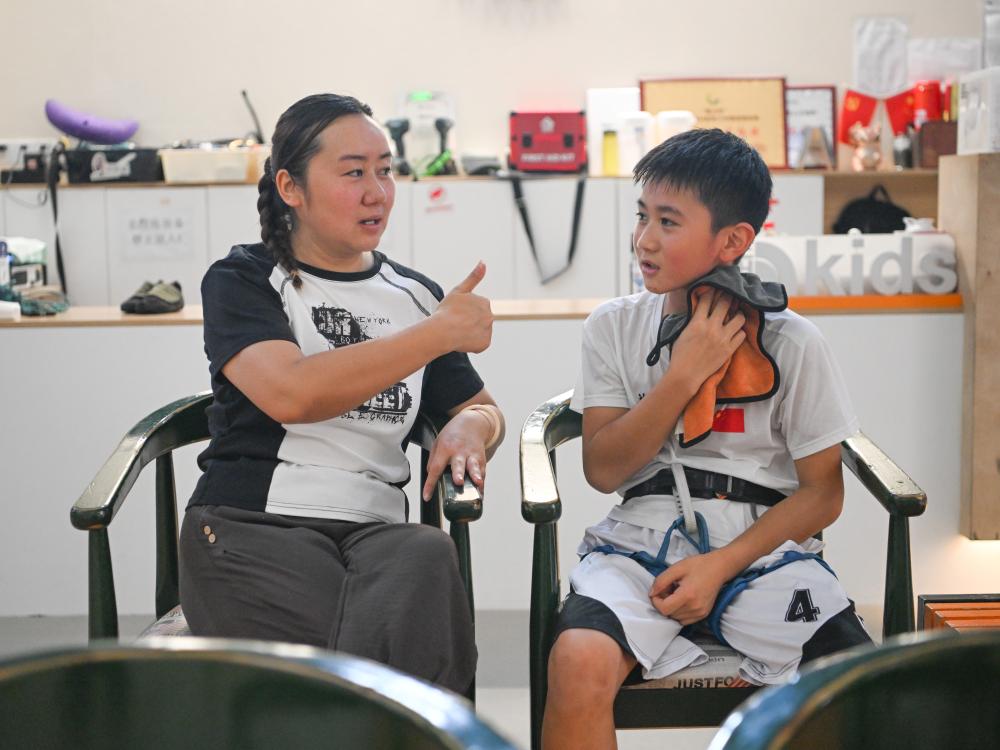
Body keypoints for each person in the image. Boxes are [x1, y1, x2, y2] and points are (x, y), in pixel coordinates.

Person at [543, 129, 871, 748]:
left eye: (668, 221)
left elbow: (823, 494)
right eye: (641, 215)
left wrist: (720, 566)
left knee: (852, 684)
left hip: (761, 550)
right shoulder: (613, 327)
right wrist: (684, 374)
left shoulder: (792, 340)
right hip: (639, 544)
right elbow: (604, 471)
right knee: (576, 660)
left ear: (733, 241)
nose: (644, 239)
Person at [178, 93, 504, 697]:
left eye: (385, 170)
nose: (377, 192)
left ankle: (379, 719)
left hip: (375, 530)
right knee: (377, 669)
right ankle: (388, 719)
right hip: (254, 521)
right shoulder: (244, 279)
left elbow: (482, 408)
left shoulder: (413, 296)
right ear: (290, 187)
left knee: (429, 554)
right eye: (353, 173)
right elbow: (293, 394)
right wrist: (436, 334)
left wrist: (472, 426)